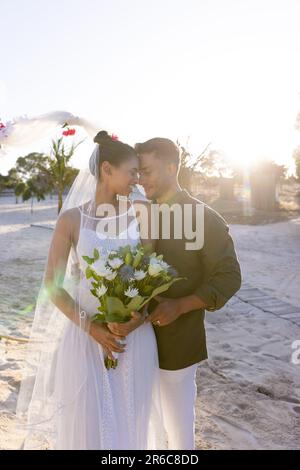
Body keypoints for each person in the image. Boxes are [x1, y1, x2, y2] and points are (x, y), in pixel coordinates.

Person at [16, 131, 167, 450]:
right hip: (85, 338)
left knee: (132, 421)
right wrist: (93, 329)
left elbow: (151, 276)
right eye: (131, 172)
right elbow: (52, 286)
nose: (136, 180)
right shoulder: (71, 220)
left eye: (139, 173)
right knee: (89, 426)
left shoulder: (142, 215)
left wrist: (136, 320)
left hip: (134, 339)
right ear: (107, 169)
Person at [121, 137, 242, 450]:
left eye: (147, 171)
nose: (140, 179)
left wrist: (181, 305)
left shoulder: (205, 218)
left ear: (172, 167)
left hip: (177, 345)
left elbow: (229, 277)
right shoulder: (135, 215)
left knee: (178, 437)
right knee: (141, 432)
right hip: (132, 343)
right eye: (137, 172)